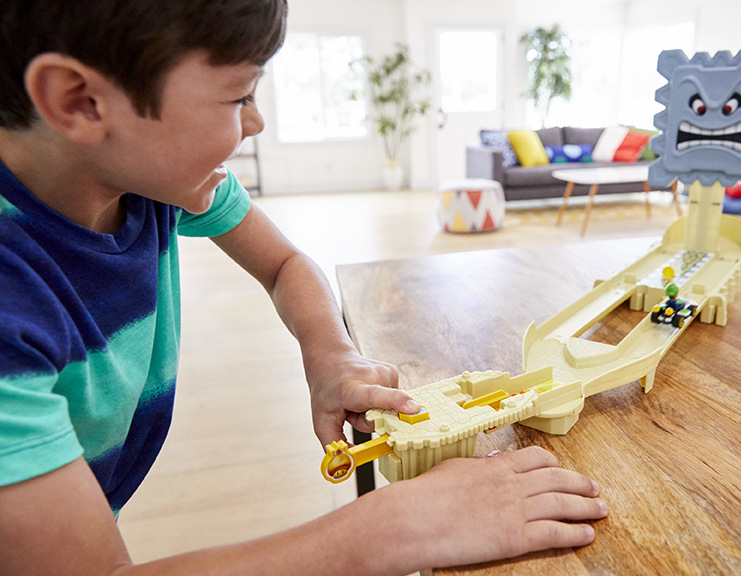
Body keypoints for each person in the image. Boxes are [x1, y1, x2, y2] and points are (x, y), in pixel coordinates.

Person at [0, 1, 608, 574]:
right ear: (79, 101)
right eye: (238, 96)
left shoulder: (145, 176)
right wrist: (400, 527)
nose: (256, 122)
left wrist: (330, 352)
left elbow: (284, 263)